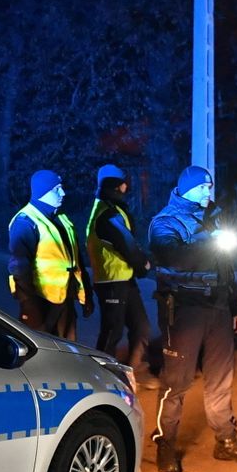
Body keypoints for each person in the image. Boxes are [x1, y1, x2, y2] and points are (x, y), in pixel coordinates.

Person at [148, 165, 237, 472]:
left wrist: (236, 306)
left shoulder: (215, 219)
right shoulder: (165, 221)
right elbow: (173, 256)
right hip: (184, 310)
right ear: (186, 189)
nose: (208, 192)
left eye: (210, 186)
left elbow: (227, 270)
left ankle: (226, 441)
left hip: (218, 308)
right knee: (177, 381)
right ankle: (166, 443)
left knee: (221, 379)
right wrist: (210, 242)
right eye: (202, 187)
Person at [87, 163, 153, 383]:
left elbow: (127, 240)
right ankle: (101, 378)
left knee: (141, 327)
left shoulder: (110, 209)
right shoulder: (107, 213)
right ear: (118, 186)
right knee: (112, 333)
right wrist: (143, 264)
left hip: (123, 280)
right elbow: (126, 243)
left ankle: (134, 371)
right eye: (124, 183)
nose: (127, 187)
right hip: (112, 282)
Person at [9, 170, 91, 338]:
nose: (63, 193)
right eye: (56, 189)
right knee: (42, 354)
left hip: (64, 298)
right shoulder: (25, 221)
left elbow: (76, 260)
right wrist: (30, 305)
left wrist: (87, 294)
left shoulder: (61, 218)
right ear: (43, 191)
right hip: (41, 302)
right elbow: (19, 267)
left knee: (69, 351)